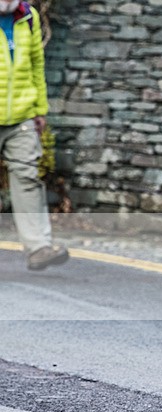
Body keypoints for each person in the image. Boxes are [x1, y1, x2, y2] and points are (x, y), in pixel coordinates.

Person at [0, 0, 67, 270]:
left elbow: (36, 64)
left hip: (22, 116)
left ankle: (38, 248)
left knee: (27, 177)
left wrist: (39, 109)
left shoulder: (28, 17)